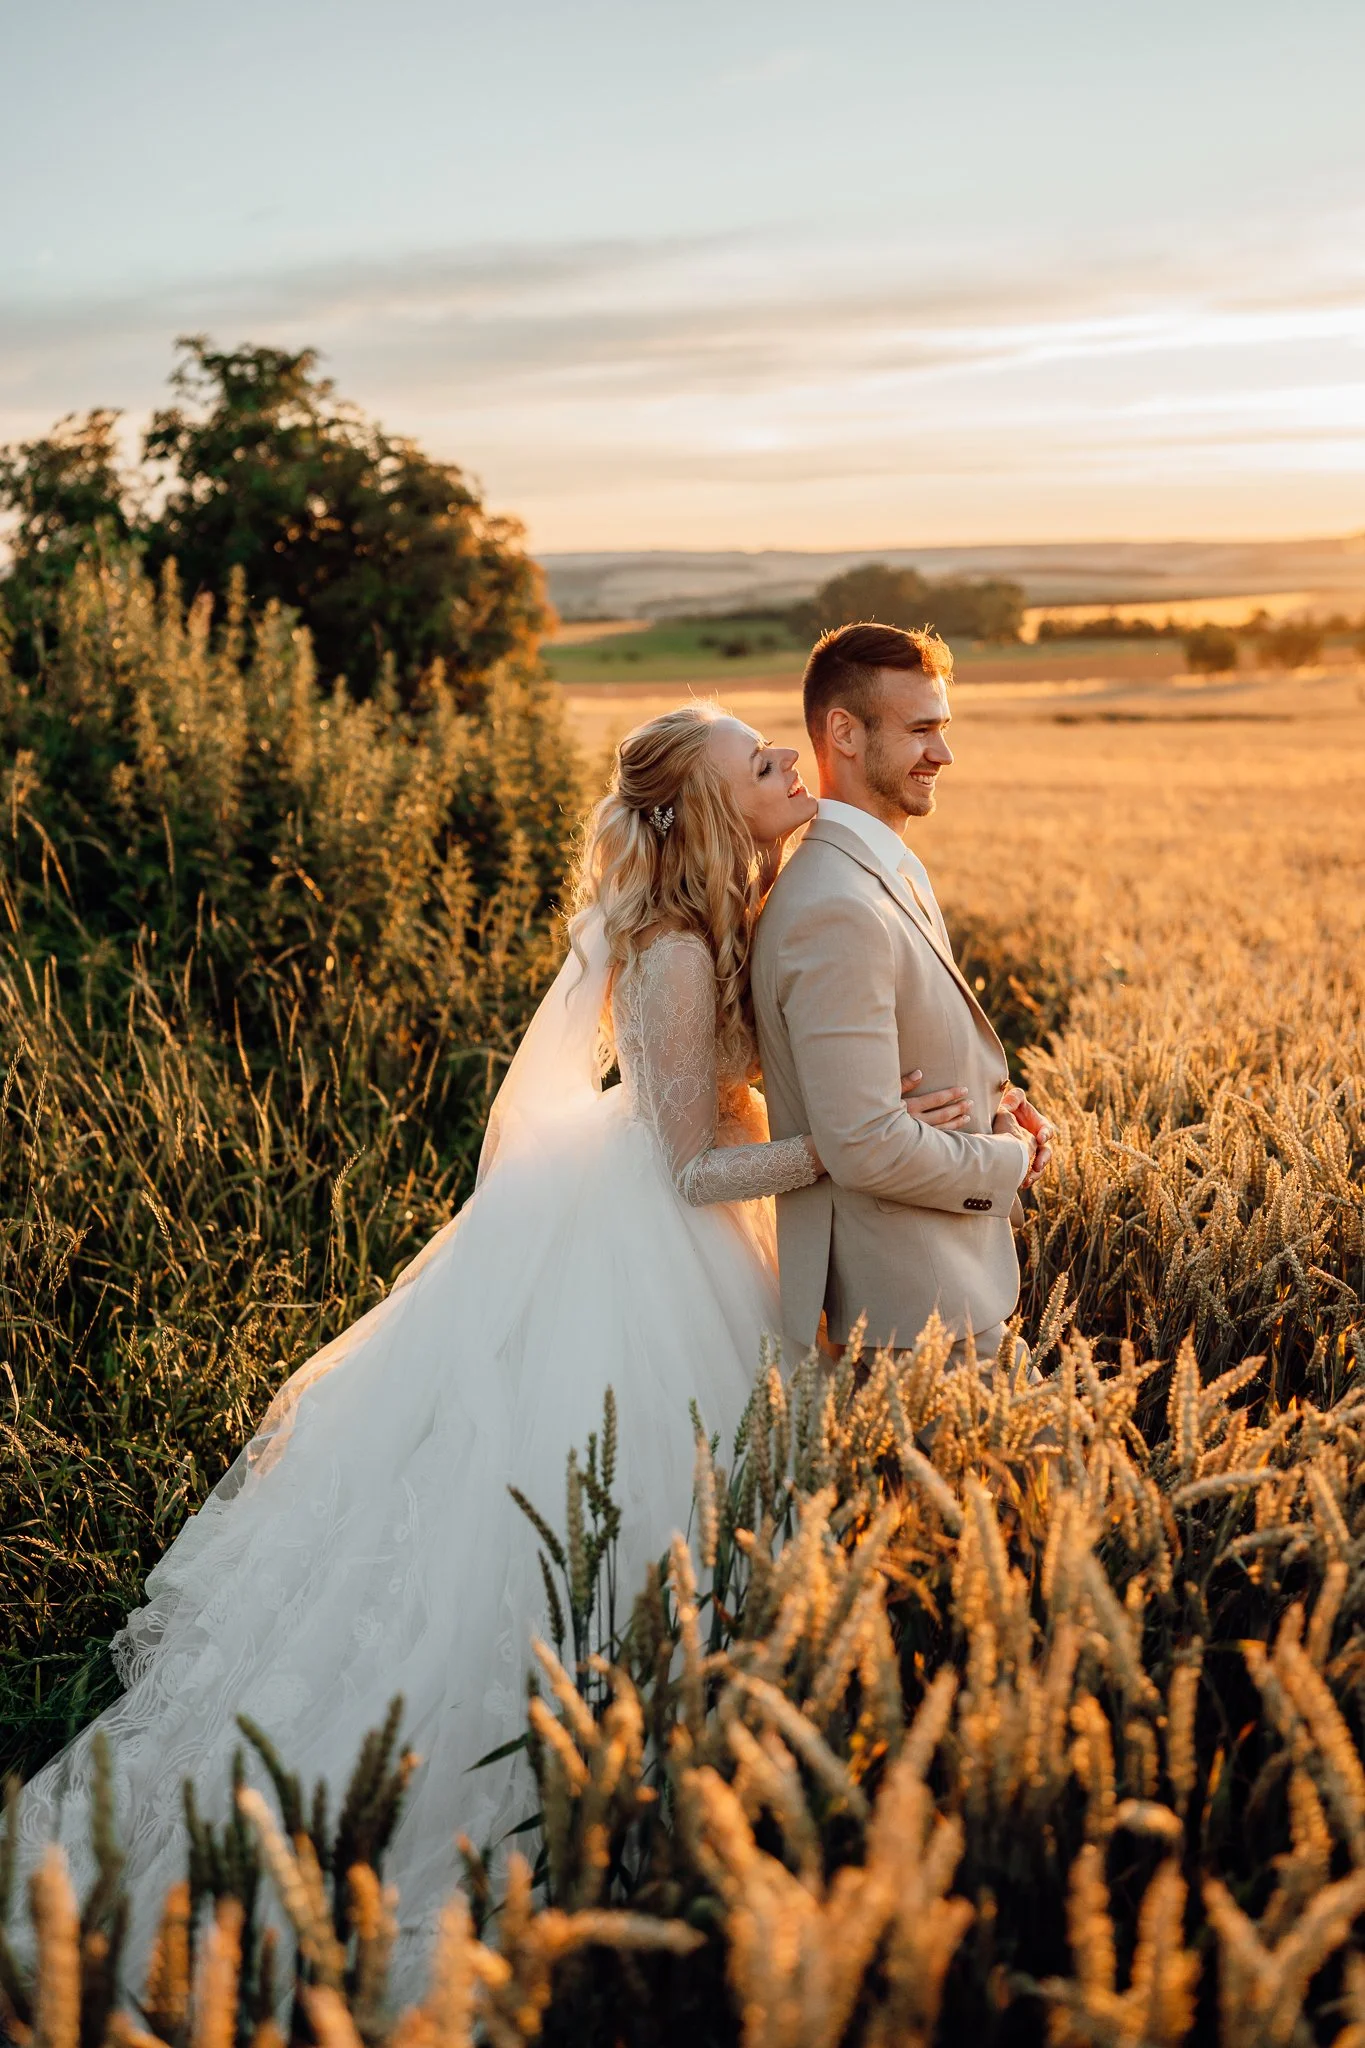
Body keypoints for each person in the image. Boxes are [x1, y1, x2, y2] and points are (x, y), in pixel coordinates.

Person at [13, 700, 964, 2000]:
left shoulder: (723, 914)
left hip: (657, 1225)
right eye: (759, 761)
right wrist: (851, 1148)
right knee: (630, 1514)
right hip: (652, 1242)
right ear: (704, 806)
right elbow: (693, 1168)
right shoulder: (679, 952)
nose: (787, 764)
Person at [752, 621, 1053, 1366]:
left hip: (947, 1288)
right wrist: (1007, 1162)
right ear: (843, 733)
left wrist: (997, 1105)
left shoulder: (879, 869)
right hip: (909, 1316)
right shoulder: (834, 906)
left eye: (942, 728)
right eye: (921, 730)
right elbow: (863, 1147)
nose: (943, 753)